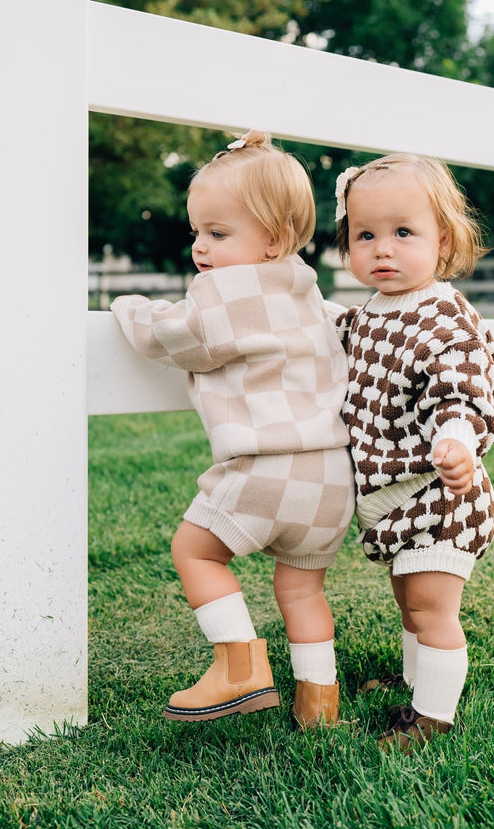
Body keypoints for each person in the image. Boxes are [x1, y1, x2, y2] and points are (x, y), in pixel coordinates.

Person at [111, 130, 355, 729]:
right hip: (331, 481)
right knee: (302, 592)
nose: (200, 248)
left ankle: (240, 664)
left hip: (268, 467)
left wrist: (129, 308)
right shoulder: (308, 289)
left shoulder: (227, 290)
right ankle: (320, 703)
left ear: (272, 240)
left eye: (218, 235)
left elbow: (174, 338)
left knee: (195, 549)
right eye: (197, 232)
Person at [332, 154, 494, 751]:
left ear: (444, 240)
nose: (383, 249)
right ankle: (415, 680)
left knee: (432, 606)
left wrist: (456, 439)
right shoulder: (364, 318)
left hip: (440, 491)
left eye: (404, 232)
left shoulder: (443, 315)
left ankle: (431, 716)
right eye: (365, 235)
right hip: (393, 495)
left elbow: (460, 388)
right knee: (409, 599)